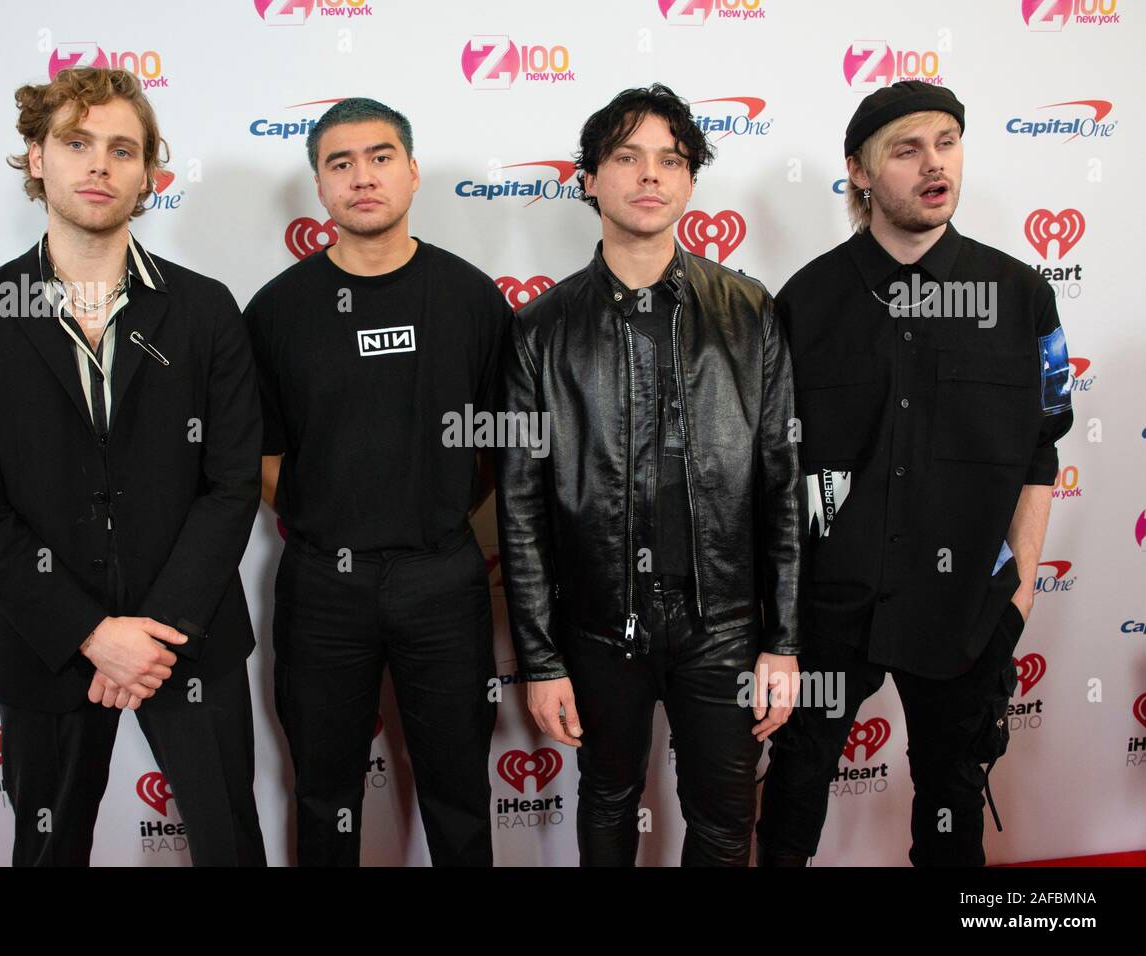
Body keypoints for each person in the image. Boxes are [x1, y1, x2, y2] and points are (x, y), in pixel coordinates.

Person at [0, 67, 266, 866]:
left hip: (189, 641)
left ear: (148, 173)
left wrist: (156, 632)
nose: (99, 165)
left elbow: (231, 482)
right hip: (44, 645)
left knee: (230, 847)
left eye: (122, 148)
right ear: (37, 159)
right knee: (47, 854)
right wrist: (88, 633)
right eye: (76, 143)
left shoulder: (205, 307)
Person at [755, 81, 1075, 867]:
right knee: (795, 788)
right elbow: (774, 465)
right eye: (907, 149)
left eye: (947, 142)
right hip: (833, 608)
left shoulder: (1020, 296)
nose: (935, 165)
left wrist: (1023, 586)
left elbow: (1043, 444)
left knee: (951, 800)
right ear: (859, 173)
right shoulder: (806, 302)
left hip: (964, 608)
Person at [495, 84, 803, 866]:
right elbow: (522, 504)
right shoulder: (542, 329)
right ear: (590, 178)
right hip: (600, 627)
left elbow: (780, 477)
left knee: (727, 816)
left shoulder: (749, 311)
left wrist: (784, 640)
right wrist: (540, 659)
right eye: (627, 157)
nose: (649, 175)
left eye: (670, 160)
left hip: (725, 625)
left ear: (691, 180)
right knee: (605, 799)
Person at [245, 98, 512, 866]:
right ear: (320, 189)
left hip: (444, 577)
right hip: (324, 585)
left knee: (460, 786)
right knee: (324, 791)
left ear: (413, 171)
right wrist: (337, 520)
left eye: (381, 156)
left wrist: (429, 515)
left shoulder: (470, 298)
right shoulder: (276, 310)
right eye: (341, 163)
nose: (363, 177)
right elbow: (263, 458)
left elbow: (498, 446)